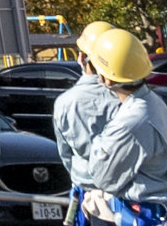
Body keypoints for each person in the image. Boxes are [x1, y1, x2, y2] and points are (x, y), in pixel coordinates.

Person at [61, 25, 167, 226]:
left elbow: (102, 177)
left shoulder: (129, 122)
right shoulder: (152, 103)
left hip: (141, 214)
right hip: (156, 212)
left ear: (106, 78)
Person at [49, 28, 122, 195]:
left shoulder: (65, 102)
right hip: (126, 192)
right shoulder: (127, 99)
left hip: (85, 189)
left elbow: (65, 153)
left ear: (82, 58)